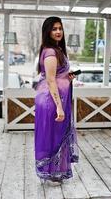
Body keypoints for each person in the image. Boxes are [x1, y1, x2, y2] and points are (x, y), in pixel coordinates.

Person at [34, 16, 79, 185]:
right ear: (47, 32)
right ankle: (50, 172)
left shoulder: (57, 50)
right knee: (51, 135)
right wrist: (59, 108)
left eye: (60, 28)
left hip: (55, 98)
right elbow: (51, 80)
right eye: (54, 29)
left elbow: (57, 77)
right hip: (51, 101)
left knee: (56, 135)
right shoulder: (51, 52)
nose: (58, 31)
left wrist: (68, 77)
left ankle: (54, 171)